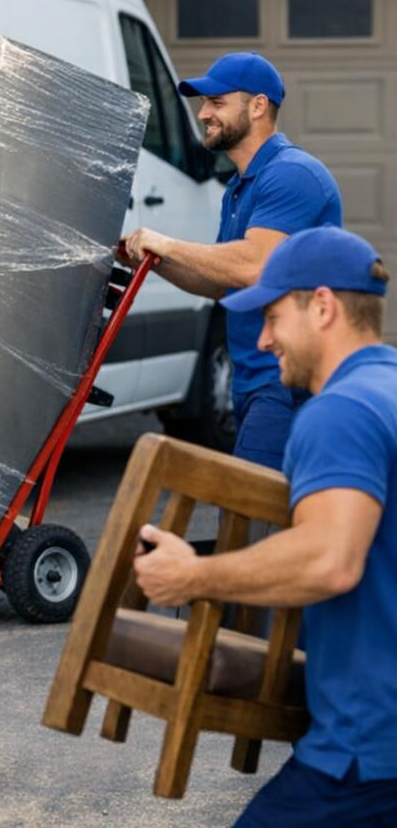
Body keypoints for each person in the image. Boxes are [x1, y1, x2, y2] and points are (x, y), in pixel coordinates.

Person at [134, 226, 397, 827]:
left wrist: (193, 576)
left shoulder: (340, 411)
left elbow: (329, 559)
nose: (264, 338)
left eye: (274, 316)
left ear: (323, 306)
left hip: (366, 756)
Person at [123, 52, 341, 470]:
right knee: (265, 505)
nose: (203, 114)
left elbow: (256, 266)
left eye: (217, 102)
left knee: (246, 505)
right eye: (204, 103)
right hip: (251, 380)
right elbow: (223, 283)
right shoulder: (240, 188)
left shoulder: (292, 174)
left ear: (258, 106)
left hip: (286, 382)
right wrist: (153, 261)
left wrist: (166, 243)